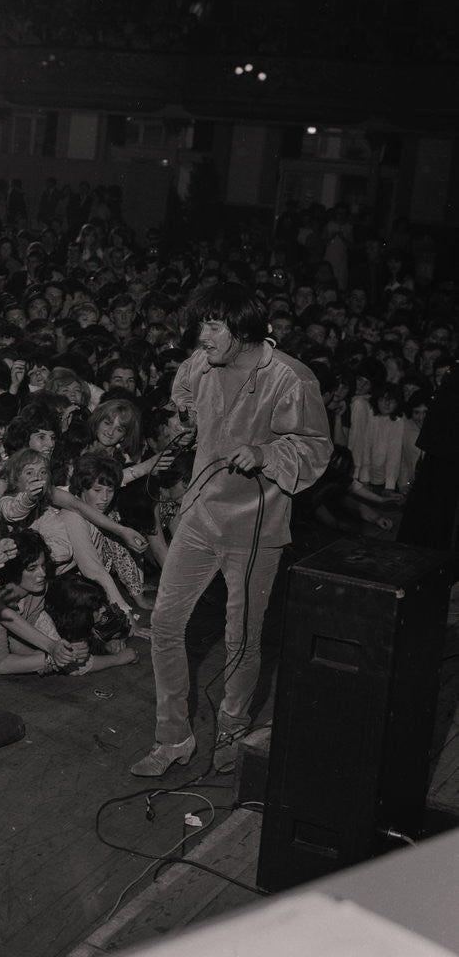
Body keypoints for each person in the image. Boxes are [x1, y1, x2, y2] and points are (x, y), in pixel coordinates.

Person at [131, 283, 332, 777]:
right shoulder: (201, 364)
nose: (202, 336)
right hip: (200, 514)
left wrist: (266, 454)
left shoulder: (290, 379)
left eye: (214, 326)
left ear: (242, 330)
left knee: (241, 635)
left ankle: (232, 724)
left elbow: (316, 448)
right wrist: (186, 423)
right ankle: (172, 736)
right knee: (165, 623)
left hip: (255, 525)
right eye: (200, 324)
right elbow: (185, 401)